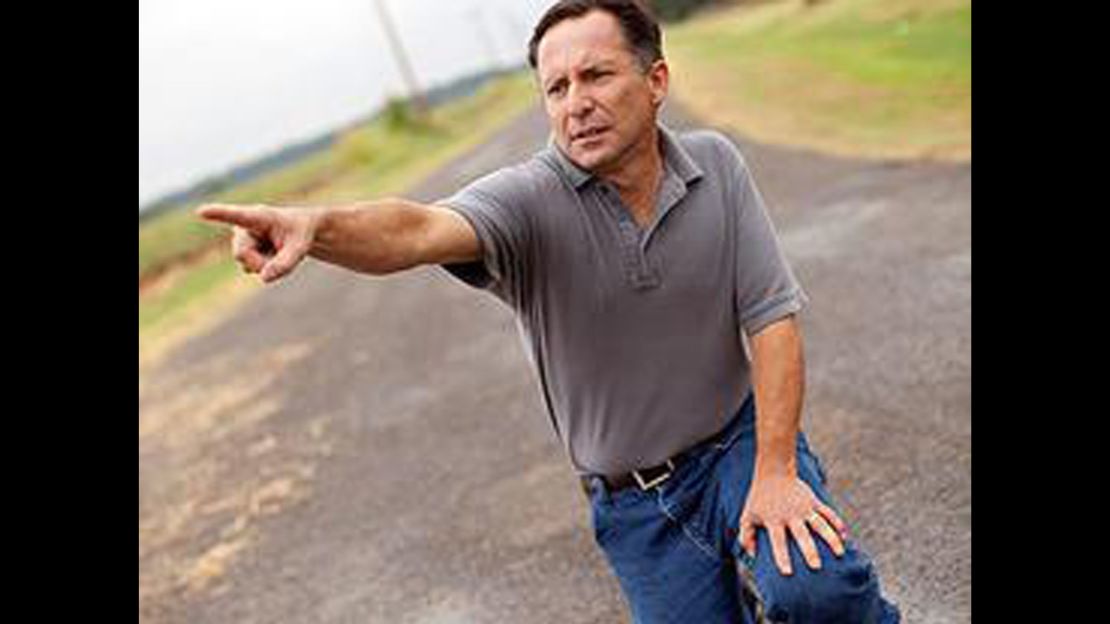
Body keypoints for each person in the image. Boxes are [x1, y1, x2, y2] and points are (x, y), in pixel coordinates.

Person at [197, 1, 901, 621]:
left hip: (738, 450)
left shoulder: (716, 166)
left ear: (655, 82)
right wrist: (316, 226)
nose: (575, 103)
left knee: (816, 590)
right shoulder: (528, 202)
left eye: (596, 76)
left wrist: (775, 471)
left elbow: (773, 320)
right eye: (556, 88)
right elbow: (414, 231)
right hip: (635, 506)